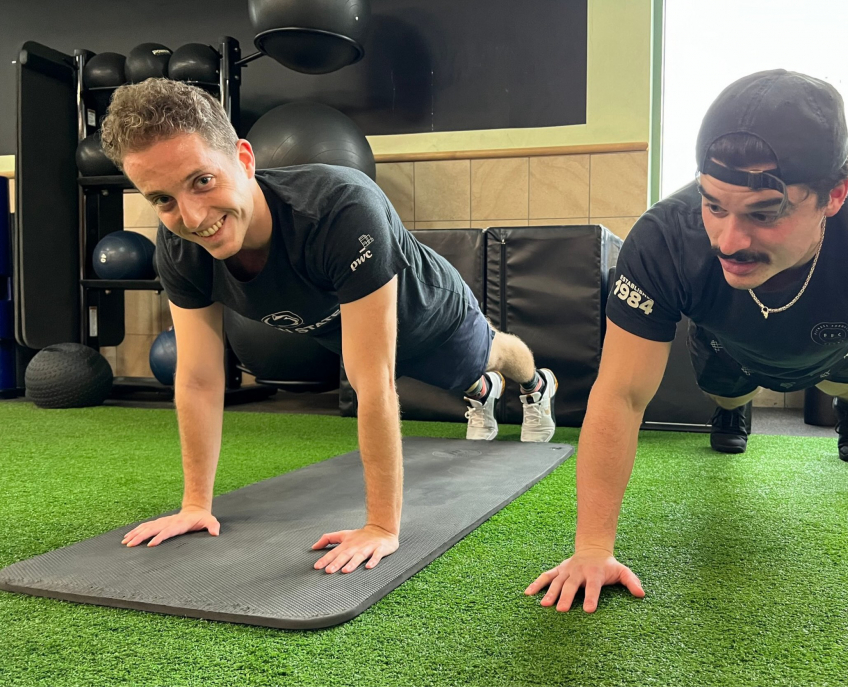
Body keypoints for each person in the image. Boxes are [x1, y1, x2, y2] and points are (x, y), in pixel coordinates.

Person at [526, 70, 848, 674]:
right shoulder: (666, 238)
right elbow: (623, 394)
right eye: (715, 206)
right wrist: (591, 549)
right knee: (723, 389)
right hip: (730, 346)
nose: (729, 239)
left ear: (835, 194)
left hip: (844, 346)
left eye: (765, 214)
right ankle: (732, 403)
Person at [103, 79, 558, 574]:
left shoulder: (340, 209)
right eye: (163, 200)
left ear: (245, 159)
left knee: (489, 355)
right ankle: (481, 391)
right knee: (455, 377)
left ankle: (535, 385)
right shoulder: (181, 248)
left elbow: (373, 380)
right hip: (348, 330)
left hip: (431, 315)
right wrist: (196, 504)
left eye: (202, 181)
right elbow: (198, 378)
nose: (192, 216)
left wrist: (382, 526)